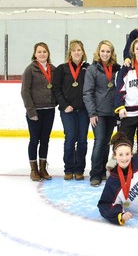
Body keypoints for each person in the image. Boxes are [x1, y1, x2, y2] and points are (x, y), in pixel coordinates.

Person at [83, 40, 121, 187]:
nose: (105, 54)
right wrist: (92, 113)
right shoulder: (93, 69)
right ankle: (95, 174)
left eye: (108, 51)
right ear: (98, 52)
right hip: (98, 113)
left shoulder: (116, 68)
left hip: (112, 112)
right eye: (103, 51)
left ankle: (102, 171)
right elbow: (87, 92)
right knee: (99, 142)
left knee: (106, 142)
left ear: (111, 53)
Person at [52, 40, 90, 181]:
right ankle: (68, 169)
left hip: (84, 111)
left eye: (79, 50)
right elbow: (56, 89)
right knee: (70, 139)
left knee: (82, 141)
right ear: (70, 53)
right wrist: (64, 105)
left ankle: (79, 169)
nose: (76, 52)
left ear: (83, 52)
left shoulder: (88, 68)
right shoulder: (61, 69)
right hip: (67, 110)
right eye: (74, 50)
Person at [21, 42, 56, 181]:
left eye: (44, 51)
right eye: (39, 52)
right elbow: (25, 91)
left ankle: (43, 168)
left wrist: (55, 103)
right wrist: (31, 111)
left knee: (45, 140)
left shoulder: (52, 69)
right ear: (35, 54)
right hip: (35, 111)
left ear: (48, 53)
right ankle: (34, 169)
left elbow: (56, 88)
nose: (42, 54)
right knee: (34, 140)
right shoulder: (30, 69)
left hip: (49, 110)